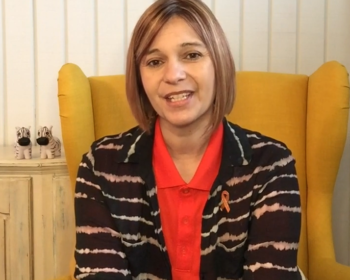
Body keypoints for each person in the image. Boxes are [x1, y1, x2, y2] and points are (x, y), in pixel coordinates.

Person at [74, 0, 304, 279]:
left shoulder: (271, 164)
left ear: (219, 63)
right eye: (155, 62)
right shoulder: (100, 166)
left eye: (192, 55)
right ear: (139, 78)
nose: (173, 75)